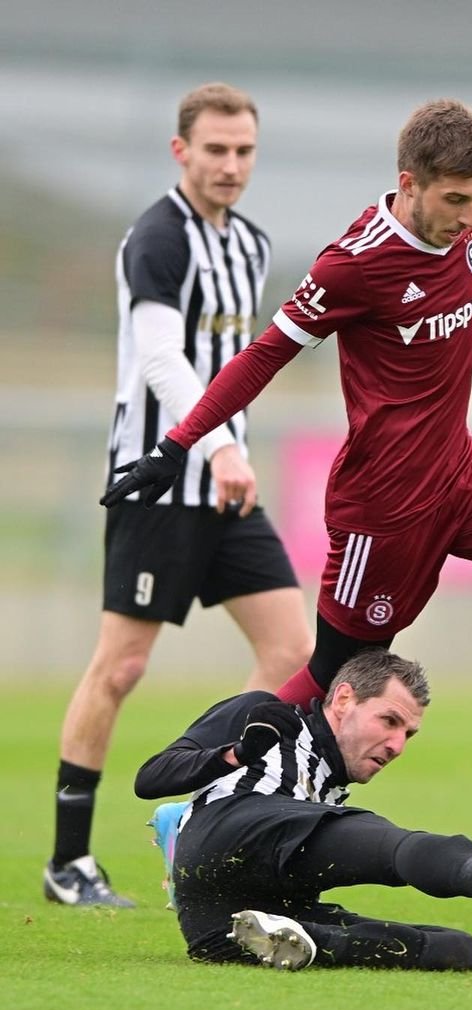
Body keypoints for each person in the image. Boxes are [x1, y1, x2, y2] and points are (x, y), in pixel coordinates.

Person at [102, 98, 472, 808]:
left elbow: (464, 152)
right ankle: (194, 798)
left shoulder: (468, 212)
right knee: (331, 674)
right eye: (453, 199)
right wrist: (180, 444)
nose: (466, 217)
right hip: (383, 508)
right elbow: (263, 357)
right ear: (408, 182)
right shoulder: (352, 267)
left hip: (463, 475)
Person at [46, 83, 313, 908]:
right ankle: (69, 865)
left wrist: (229, 451)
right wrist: (226, 443)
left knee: (295, 655)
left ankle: (197, 802)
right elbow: (164, 359)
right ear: (181, 151)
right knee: (120, 666)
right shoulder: (158, 239)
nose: (231, 165)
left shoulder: (254, 244)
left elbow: (240, 361)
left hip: (224, 490)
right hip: (157, 483)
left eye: (244, 151)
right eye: (216, 150)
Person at [134, 650, 472, 970]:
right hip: (234, 827)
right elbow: (150, 778)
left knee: (454, 950)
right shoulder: (267, 715)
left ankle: (299, 941)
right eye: (389, 721)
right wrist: (237, 753)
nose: (397, 744)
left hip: (219, 924)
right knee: (389, 845)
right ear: (344, 699)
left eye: (408, 734)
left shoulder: (329, 780)